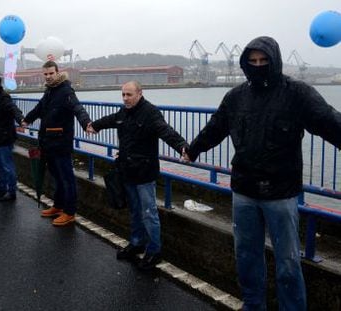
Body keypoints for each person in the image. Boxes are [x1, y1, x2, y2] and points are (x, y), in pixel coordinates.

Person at [182, 36, 341, 310]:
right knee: (246, 256)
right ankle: (253, 305)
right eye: (252, 61)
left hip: (281, 194)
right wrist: (193, 149)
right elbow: (215, 128)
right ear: (245, 63)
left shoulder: (297, 93)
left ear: (275, 61)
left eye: (263, 60)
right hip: (243, 190)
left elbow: (329, 121)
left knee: (288, 263)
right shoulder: (235, 97)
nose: (258, 65)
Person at [88, 81, 188, 270]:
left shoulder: (151, 113)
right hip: (127, 170)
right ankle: (136, 243)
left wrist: (182, 147)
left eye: (129, 95)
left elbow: (166, 131)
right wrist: (95, 126)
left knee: (148, 213)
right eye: (123, 95)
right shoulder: (123, 112)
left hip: (144, 172)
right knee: (134, 211)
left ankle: (154, 251)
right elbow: (110, 120)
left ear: (140, 93)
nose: (125, 98)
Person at [21, 61, 92, 226]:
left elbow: (78, 108)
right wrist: (26, 120)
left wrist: (86, 123)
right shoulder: (49, 91)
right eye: (45, 74)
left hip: (61, 143)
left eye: (51, 73)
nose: (48, 76)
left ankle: (69, 212)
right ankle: (59, 206)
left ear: (57, 72)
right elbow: (39, 108)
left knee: (67, 179)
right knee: (57, 178)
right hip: (47, 143)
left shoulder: (66, 90)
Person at [0, 75, 24, 202]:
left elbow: (14, 109)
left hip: (5, 137)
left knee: (7, 166)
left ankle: (11, 191)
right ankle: (2, 188)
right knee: (0, 165)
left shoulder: (4, 98)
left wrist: (21, 119)